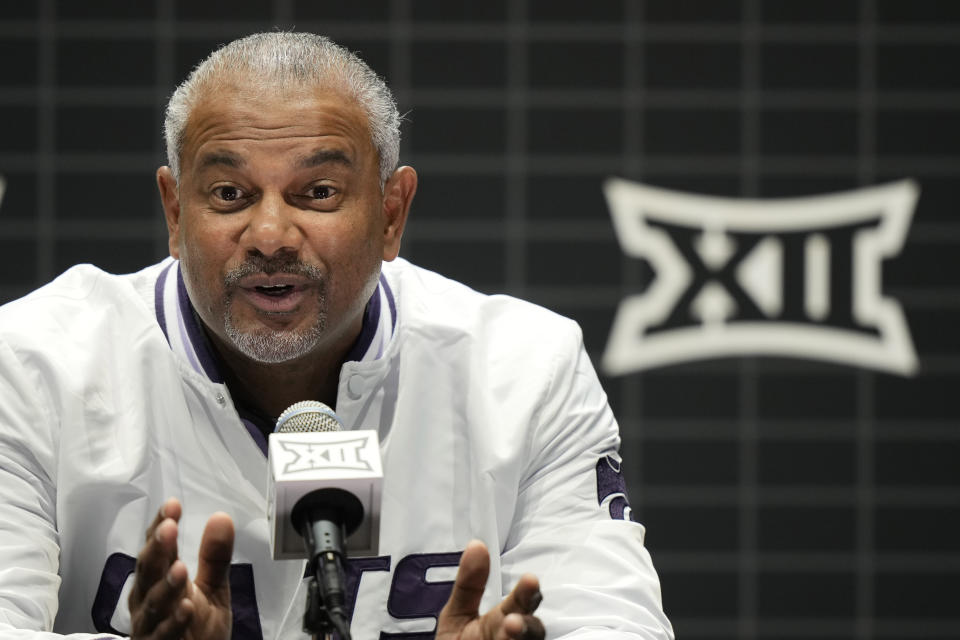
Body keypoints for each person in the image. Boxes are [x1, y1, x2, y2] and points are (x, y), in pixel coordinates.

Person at [0, 32, 673, 640]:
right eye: (230, 194)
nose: (270, 237)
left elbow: (618, 623)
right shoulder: (31, 368)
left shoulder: (523, 369)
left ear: (390, 213)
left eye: (317, 192)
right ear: (175, 213)